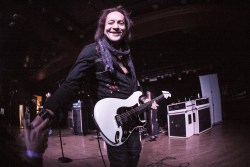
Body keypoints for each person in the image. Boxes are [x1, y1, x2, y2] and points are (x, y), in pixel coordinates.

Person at [31, 5, 158, 167]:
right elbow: (71, 84)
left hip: (131, 120)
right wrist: (46, 112)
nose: (116, 26)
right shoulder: (93, 51)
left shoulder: (128, 57)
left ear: (126, 28)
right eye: (111, 22)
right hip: (111, 119)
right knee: (121, 162)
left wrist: (144, 100)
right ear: (103, 27)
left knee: (134, 154)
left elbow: (134, 89)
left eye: (121, 23)